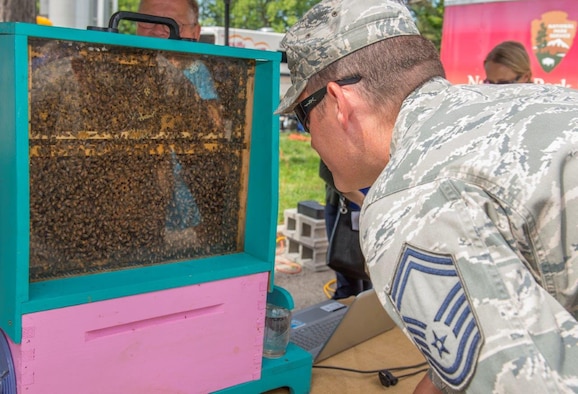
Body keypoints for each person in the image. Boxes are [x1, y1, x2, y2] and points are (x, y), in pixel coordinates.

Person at [275, 0, 578, 393]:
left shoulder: (407, 201)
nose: (311, 138)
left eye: (302, 114)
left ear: (338, 101)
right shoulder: (538, 102)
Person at [319, 160, 372, 299]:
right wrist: (359, 198)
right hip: (343, 209)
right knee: (349, 284)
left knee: (369, 283)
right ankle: (343, 317)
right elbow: (326, 170)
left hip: (373, 208)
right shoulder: (334, 138)